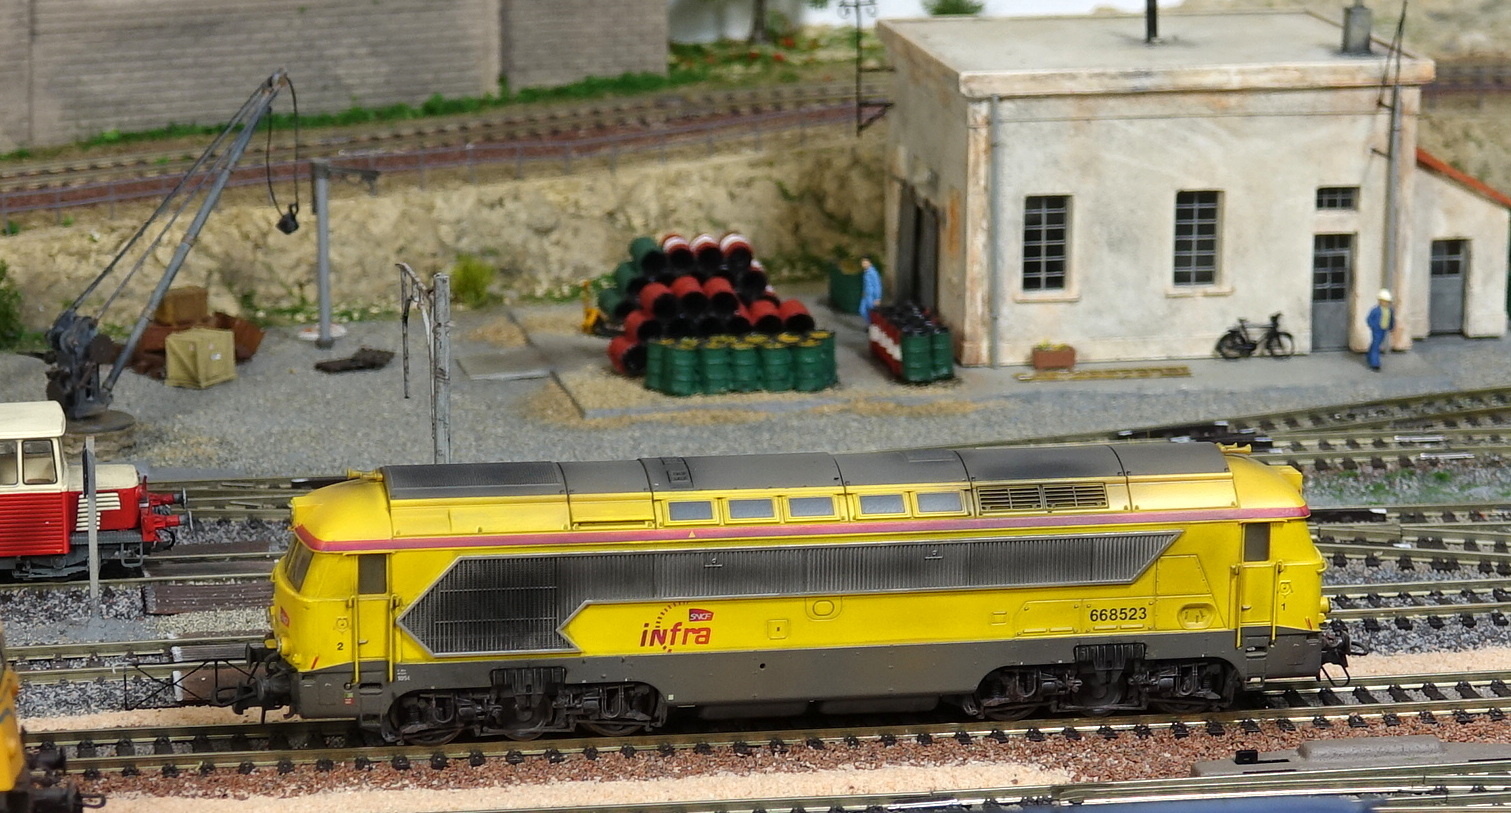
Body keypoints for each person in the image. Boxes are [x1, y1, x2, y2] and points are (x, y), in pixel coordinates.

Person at [1366, 288, 1395, 372]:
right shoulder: (1375, 310)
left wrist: (1391, 326)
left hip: (1384, 329)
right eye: (1384, 301)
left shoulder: (1390, 310)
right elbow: (1369, 319)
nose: (1386, 303)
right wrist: (1373, 326)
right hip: (1377, 330)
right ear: (1380, 301)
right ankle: (1375, 364)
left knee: (1376, 344)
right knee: (1376, 346)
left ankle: (1369, 356)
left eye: (1387, 301)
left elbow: (1391, 319)